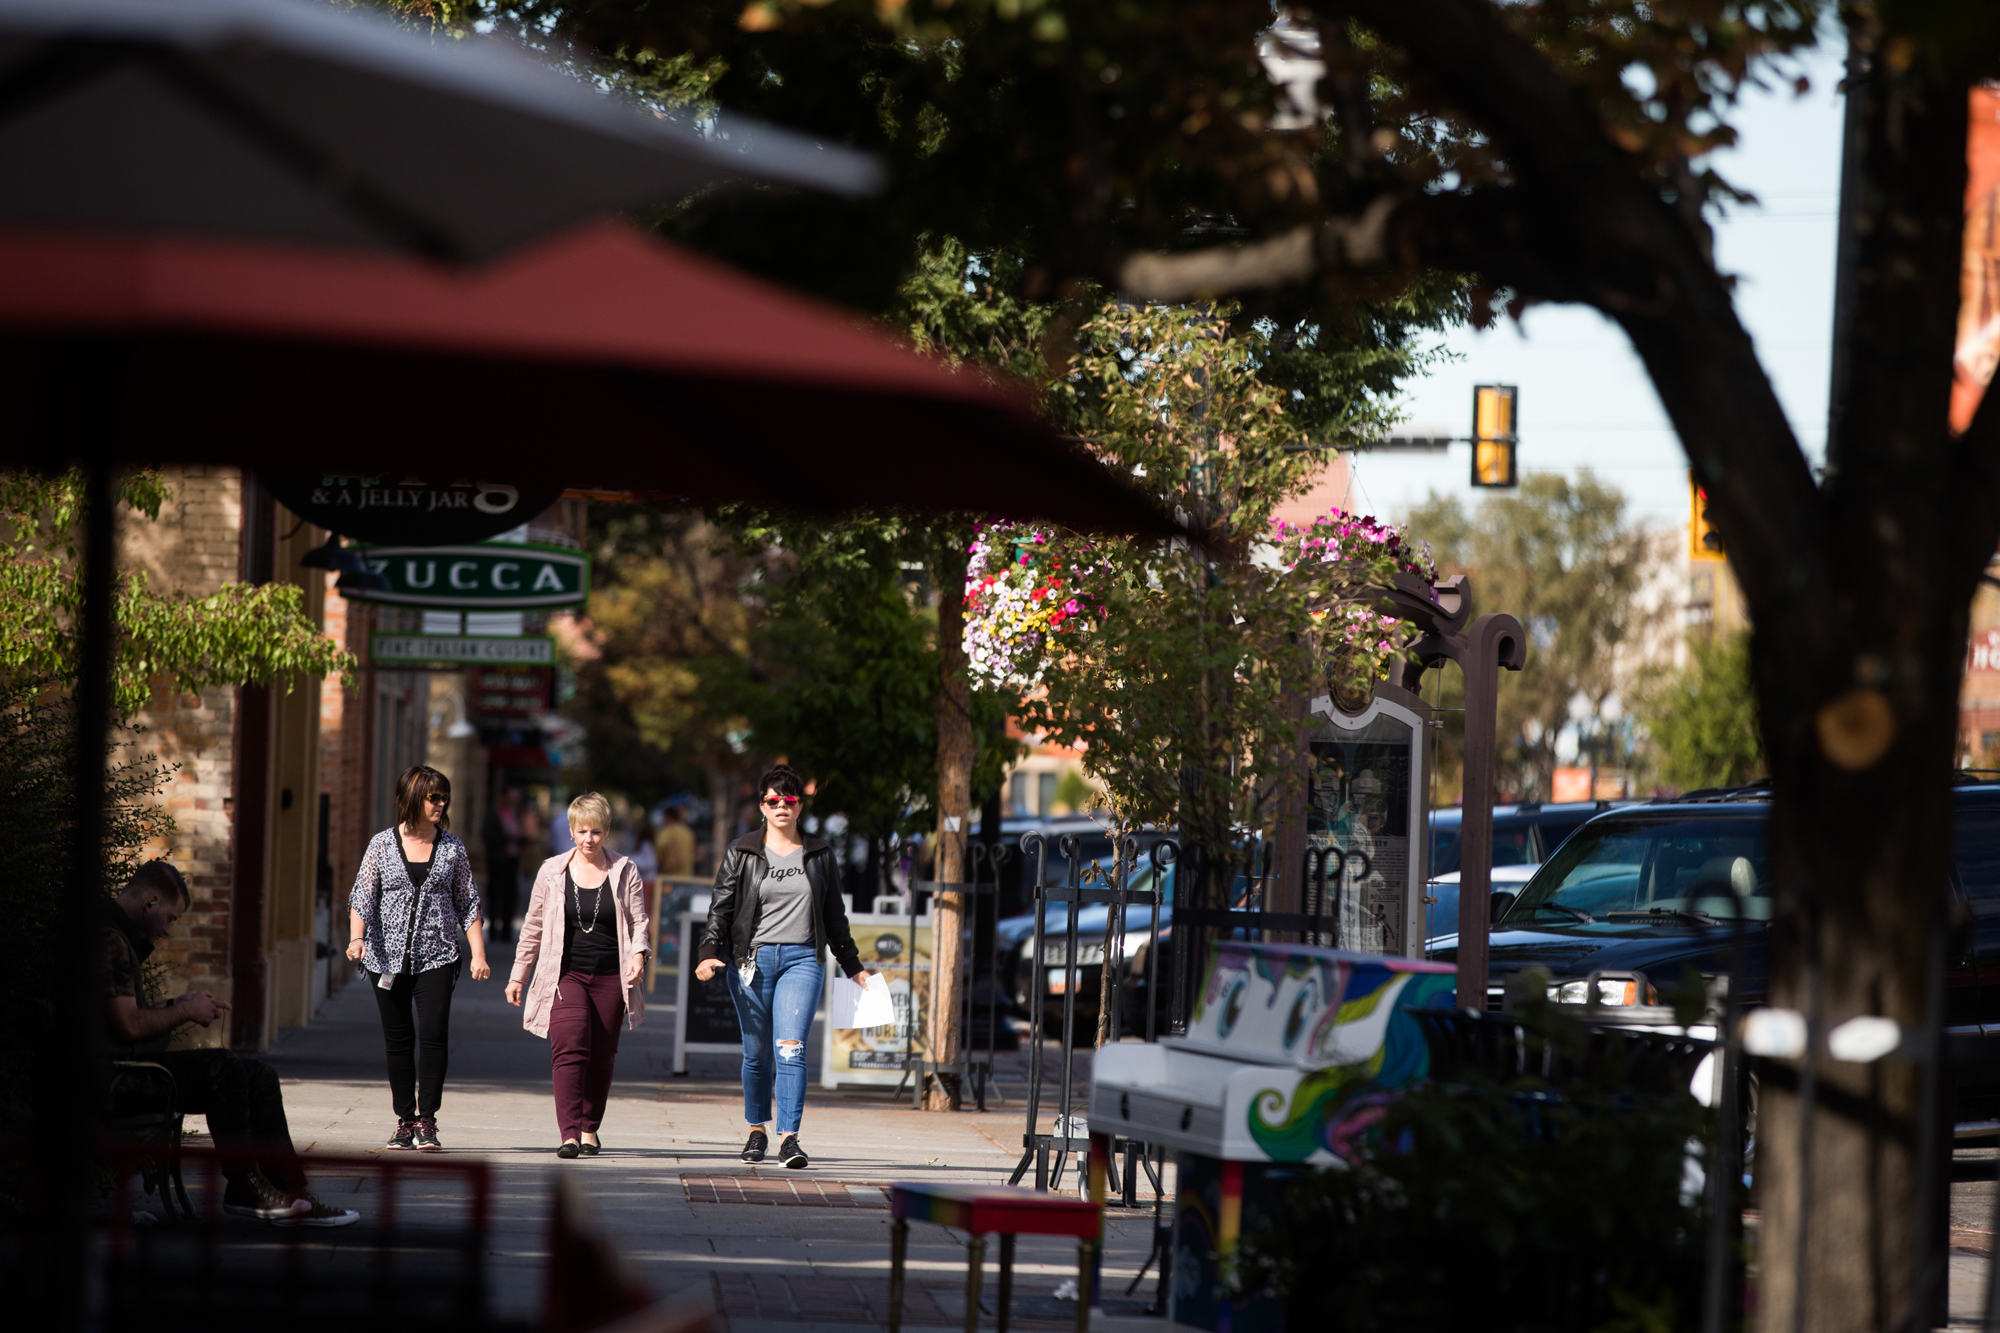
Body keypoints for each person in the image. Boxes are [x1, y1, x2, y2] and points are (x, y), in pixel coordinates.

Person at [103, 860, 359, 1225]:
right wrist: (184, 1012)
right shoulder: (109, 939)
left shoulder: (118, 938)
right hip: (117, 1079)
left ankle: (291, 1194)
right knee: (222, 1067)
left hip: (134, 1069)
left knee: (260, 1076)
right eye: (171, 918)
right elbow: (128, 1026)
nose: (169, 931)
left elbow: (124, 1017)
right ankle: (244, 1187)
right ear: (150, 902)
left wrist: (179, 1005)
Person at [696, 764, 870, 1170]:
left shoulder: (820, 853)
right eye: (773, 800)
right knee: (757, 1054)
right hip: (751, 962)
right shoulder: (743, 851)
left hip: (802, 960)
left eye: (788, 800)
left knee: (790, 1049)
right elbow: (720, 910)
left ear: (799, 806)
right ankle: (757, 1130)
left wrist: (854, 966)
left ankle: (789, 1138)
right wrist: (708, 952)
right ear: (762, 805)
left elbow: (834, 915)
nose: (781, 807)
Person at [346, 764, 489, 1153]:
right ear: (412, 799)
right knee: (398, 1041)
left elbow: (467, 901)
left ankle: (427, 1120)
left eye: (444, 797)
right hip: (385, 959)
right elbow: (363, 896)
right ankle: (404, 1121)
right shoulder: (381, 845)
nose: (441, 804)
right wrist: (357, 939)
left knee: (433, 1037)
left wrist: (478, 953)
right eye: (433, 797)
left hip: (437, 956)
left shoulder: (452, 847)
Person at [506, 792, 650, 1158]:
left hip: (609, 977)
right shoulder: (552, 871)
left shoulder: (624, 870)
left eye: (597, 832)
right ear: (571, 831)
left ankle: (589, 1128)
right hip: (564, 974)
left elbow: (638, 922)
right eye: (582, 831)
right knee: (570, 1048)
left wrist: (638, 956)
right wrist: (519, 975)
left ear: (607, 833)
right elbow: (533, 925)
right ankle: (569, 1133)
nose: (589, 839)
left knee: (601, 1056)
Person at [483, 787, 523, 942]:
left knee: (510, 896)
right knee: (495, 896)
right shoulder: (494, 813)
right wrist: (507, 837)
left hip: (511, 859)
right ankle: (493, 930)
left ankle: (506, 930)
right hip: (498, 860)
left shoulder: (514, 813)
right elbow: (488, 835)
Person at [654, 803, 695, 878]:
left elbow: (660, 848)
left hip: (669, 876)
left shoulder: (666, 832)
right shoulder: (688, 832)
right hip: (687, 876)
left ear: (668, 816)